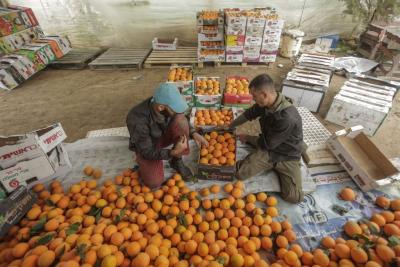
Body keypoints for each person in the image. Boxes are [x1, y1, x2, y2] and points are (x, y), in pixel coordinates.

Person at [230, 74, 305, 203]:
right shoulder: (266, 103)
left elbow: (267, 144)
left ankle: (276, 166)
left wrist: (248, 138)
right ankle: (268, 164)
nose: (253, 99)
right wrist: (230, 125)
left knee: (293, 197)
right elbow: (249, 114)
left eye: (254, 96)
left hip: (286, 154)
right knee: (240, 173)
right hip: (270, 146)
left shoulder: (286, 117)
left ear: (264, 94)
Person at [126, 83, 208, 189]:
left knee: (181, 120)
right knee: (154, 182)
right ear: (161, 107)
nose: (177, 111)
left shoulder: (165, 104)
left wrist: (193, 132)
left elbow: (181, 115)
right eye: (174, 110)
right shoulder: (137, 119)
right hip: (149, 146)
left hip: (163, 134)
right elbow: (147, 151)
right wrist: (172, 152)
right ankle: (143, 162)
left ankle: (176, 161)